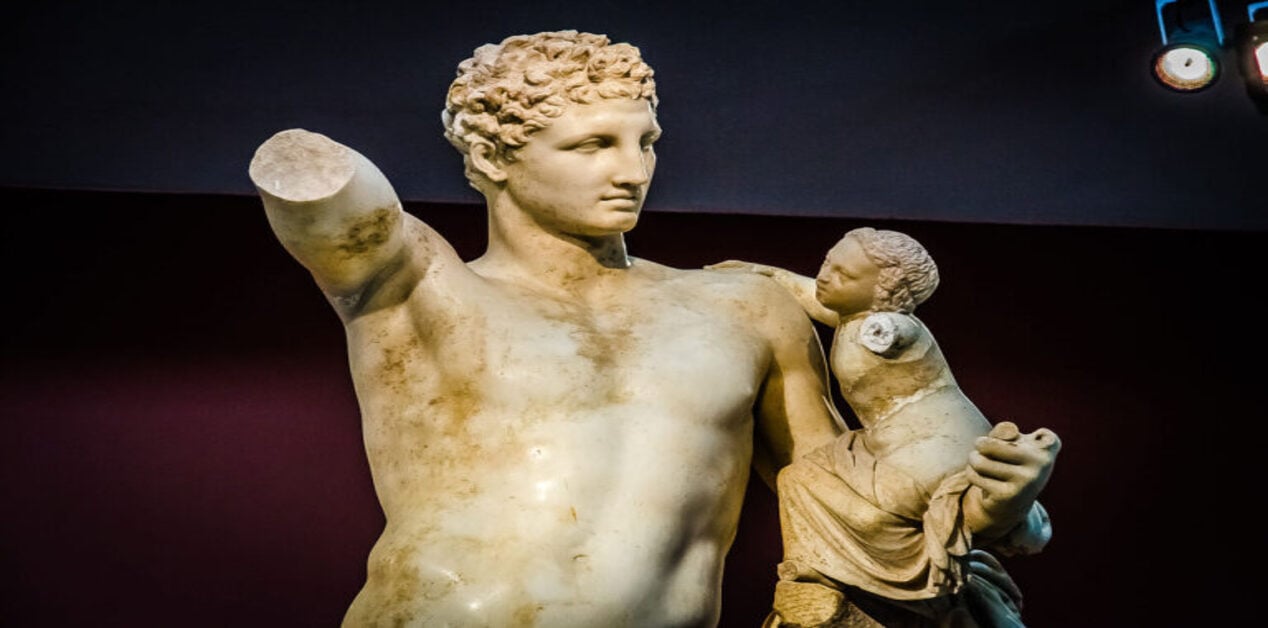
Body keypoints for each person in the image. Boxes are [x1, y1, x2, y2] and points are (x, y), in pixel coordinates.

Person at [248, 30, 1058, 627]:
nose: (632, 170)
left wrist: (988, 504)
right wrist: (312, 175)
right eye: (593, 145)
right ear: (493, 158)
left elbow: (847, 499)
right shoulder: (423, 288)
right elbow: (339, 216)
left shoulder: (744, 308)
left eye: (646, 141)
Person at [711, 229, 1058, 627]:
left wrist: (888, 330)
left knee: (799, 479)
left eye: (843, 275)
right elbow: (817, 297)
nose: (825, 277)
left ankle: (834, 576)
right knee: (811, 475)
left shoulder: (889, 328)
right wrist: (769, 275)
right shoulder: (857, 315)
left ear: (885, 294)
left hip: (928, 452)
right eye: (828, 263)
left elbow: (889, 331)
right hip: (902, 445)